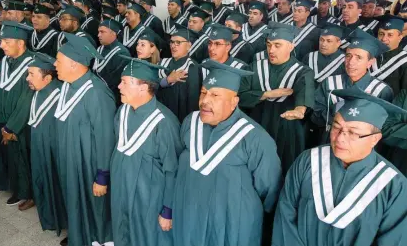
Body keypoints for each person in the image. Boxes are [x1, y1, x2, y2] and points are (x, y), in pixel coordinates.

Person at [273, 88, 407, 246]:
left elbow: (394, 240)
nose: (340, 138)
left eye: (353, 132)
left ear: (375, 139)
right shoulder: (307, 161)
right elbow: (285, 217)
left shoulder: (394, 186)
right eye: (336, 127)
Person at [173, 59, 282, 246]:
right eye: (203, 93)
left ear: (234, 102)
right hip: (189, 216)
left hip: (232, 224)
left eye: (215, 95)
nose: (205, 101)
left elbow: (270, 189)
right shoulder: (191, 123)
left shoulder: (255, 138)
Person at [111, 56, 182, 246]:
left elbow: (172, 171)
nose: (119, 86)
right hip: (122, 191)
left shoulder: (164, 123)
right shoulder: (122, 112)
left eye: (125, 82)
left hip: (150, 199)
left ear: (143, 87)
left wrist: (168, 209)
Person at [54, 33, 115, 246]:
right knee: (75, 201)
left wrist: (102, 175)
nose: (55, 64)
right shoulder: (68, 85)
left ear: (74, 64)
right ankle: (80, 235)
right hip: (71, 160)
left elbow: (106, 136)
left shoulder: (96, 93)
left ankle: (99, 239)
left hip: (88, 164)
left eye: (58, 61)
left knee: (94, 207)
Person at [239, 23, 315, 174]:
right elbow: (239, 96)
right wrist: (267, 94)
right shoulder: (254, 67)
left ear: (291, 47)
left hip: (286, 127)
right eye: (269, 45)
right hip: (257, 124)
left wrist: (300, 109)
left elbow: (304, 91)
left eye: (277, 45)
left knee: (283, 168)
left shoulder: (302, 71)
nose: (271, 50)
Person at [311, 29, 393, 145]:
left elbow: (383, 126)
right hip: (329, 140)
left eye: (359, 57)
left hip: (362, 147)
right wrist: (334, 112)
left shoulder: (381, 90)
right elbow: (315, 115)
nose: (351, 62)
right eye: (348, 56)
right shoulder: (330, 83)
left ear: (370, 62)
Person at [0, 21, 35, 208]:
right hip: (5, 121)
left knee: (24, 158)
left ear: (21, 43)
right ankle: (17, 189)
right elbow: (0, 91)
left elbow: (27, 100)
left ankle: (28, 194)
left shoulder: (32, 64)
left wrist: (11, 127)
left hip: (23, 124)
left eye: (6, 41)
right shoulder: (5, 61)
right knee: (12, 157)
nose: (1, 45)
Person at [26, 52, 67, 236]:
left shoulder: (60, 95)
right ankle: (50, 218)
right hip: (40, 148)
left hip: (56, 153)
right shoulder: (39, 91)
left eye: (31, 74)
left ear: (48, 77)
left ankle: (65, 223)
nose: (27, 78)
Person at [157, 26, 202, 122]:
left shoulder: (193, 68)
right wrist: (167, 80)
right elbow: (150, 85)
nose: (173, 46)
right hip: (159, 115)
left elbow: (192, 103)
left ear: (189, 46)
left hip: (180, 119)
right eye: (172, 42)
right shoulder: (162, 63)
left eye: (178, 42)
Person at [93, 19, 131, 106]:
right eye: (98, 32)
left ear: (113, 33)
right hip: (97, 94)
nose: (98, 35)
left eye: (102, 32)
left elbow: (116, 82)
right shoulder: (99, 49)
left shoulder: (122, 53)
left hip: (112, 98)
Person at [372, 15, 407, 96]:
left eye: (390, 35)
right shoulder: (370, 55)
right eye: (381, 34)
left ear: (400, 37)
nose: (384, 38)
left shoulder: (404, 62)